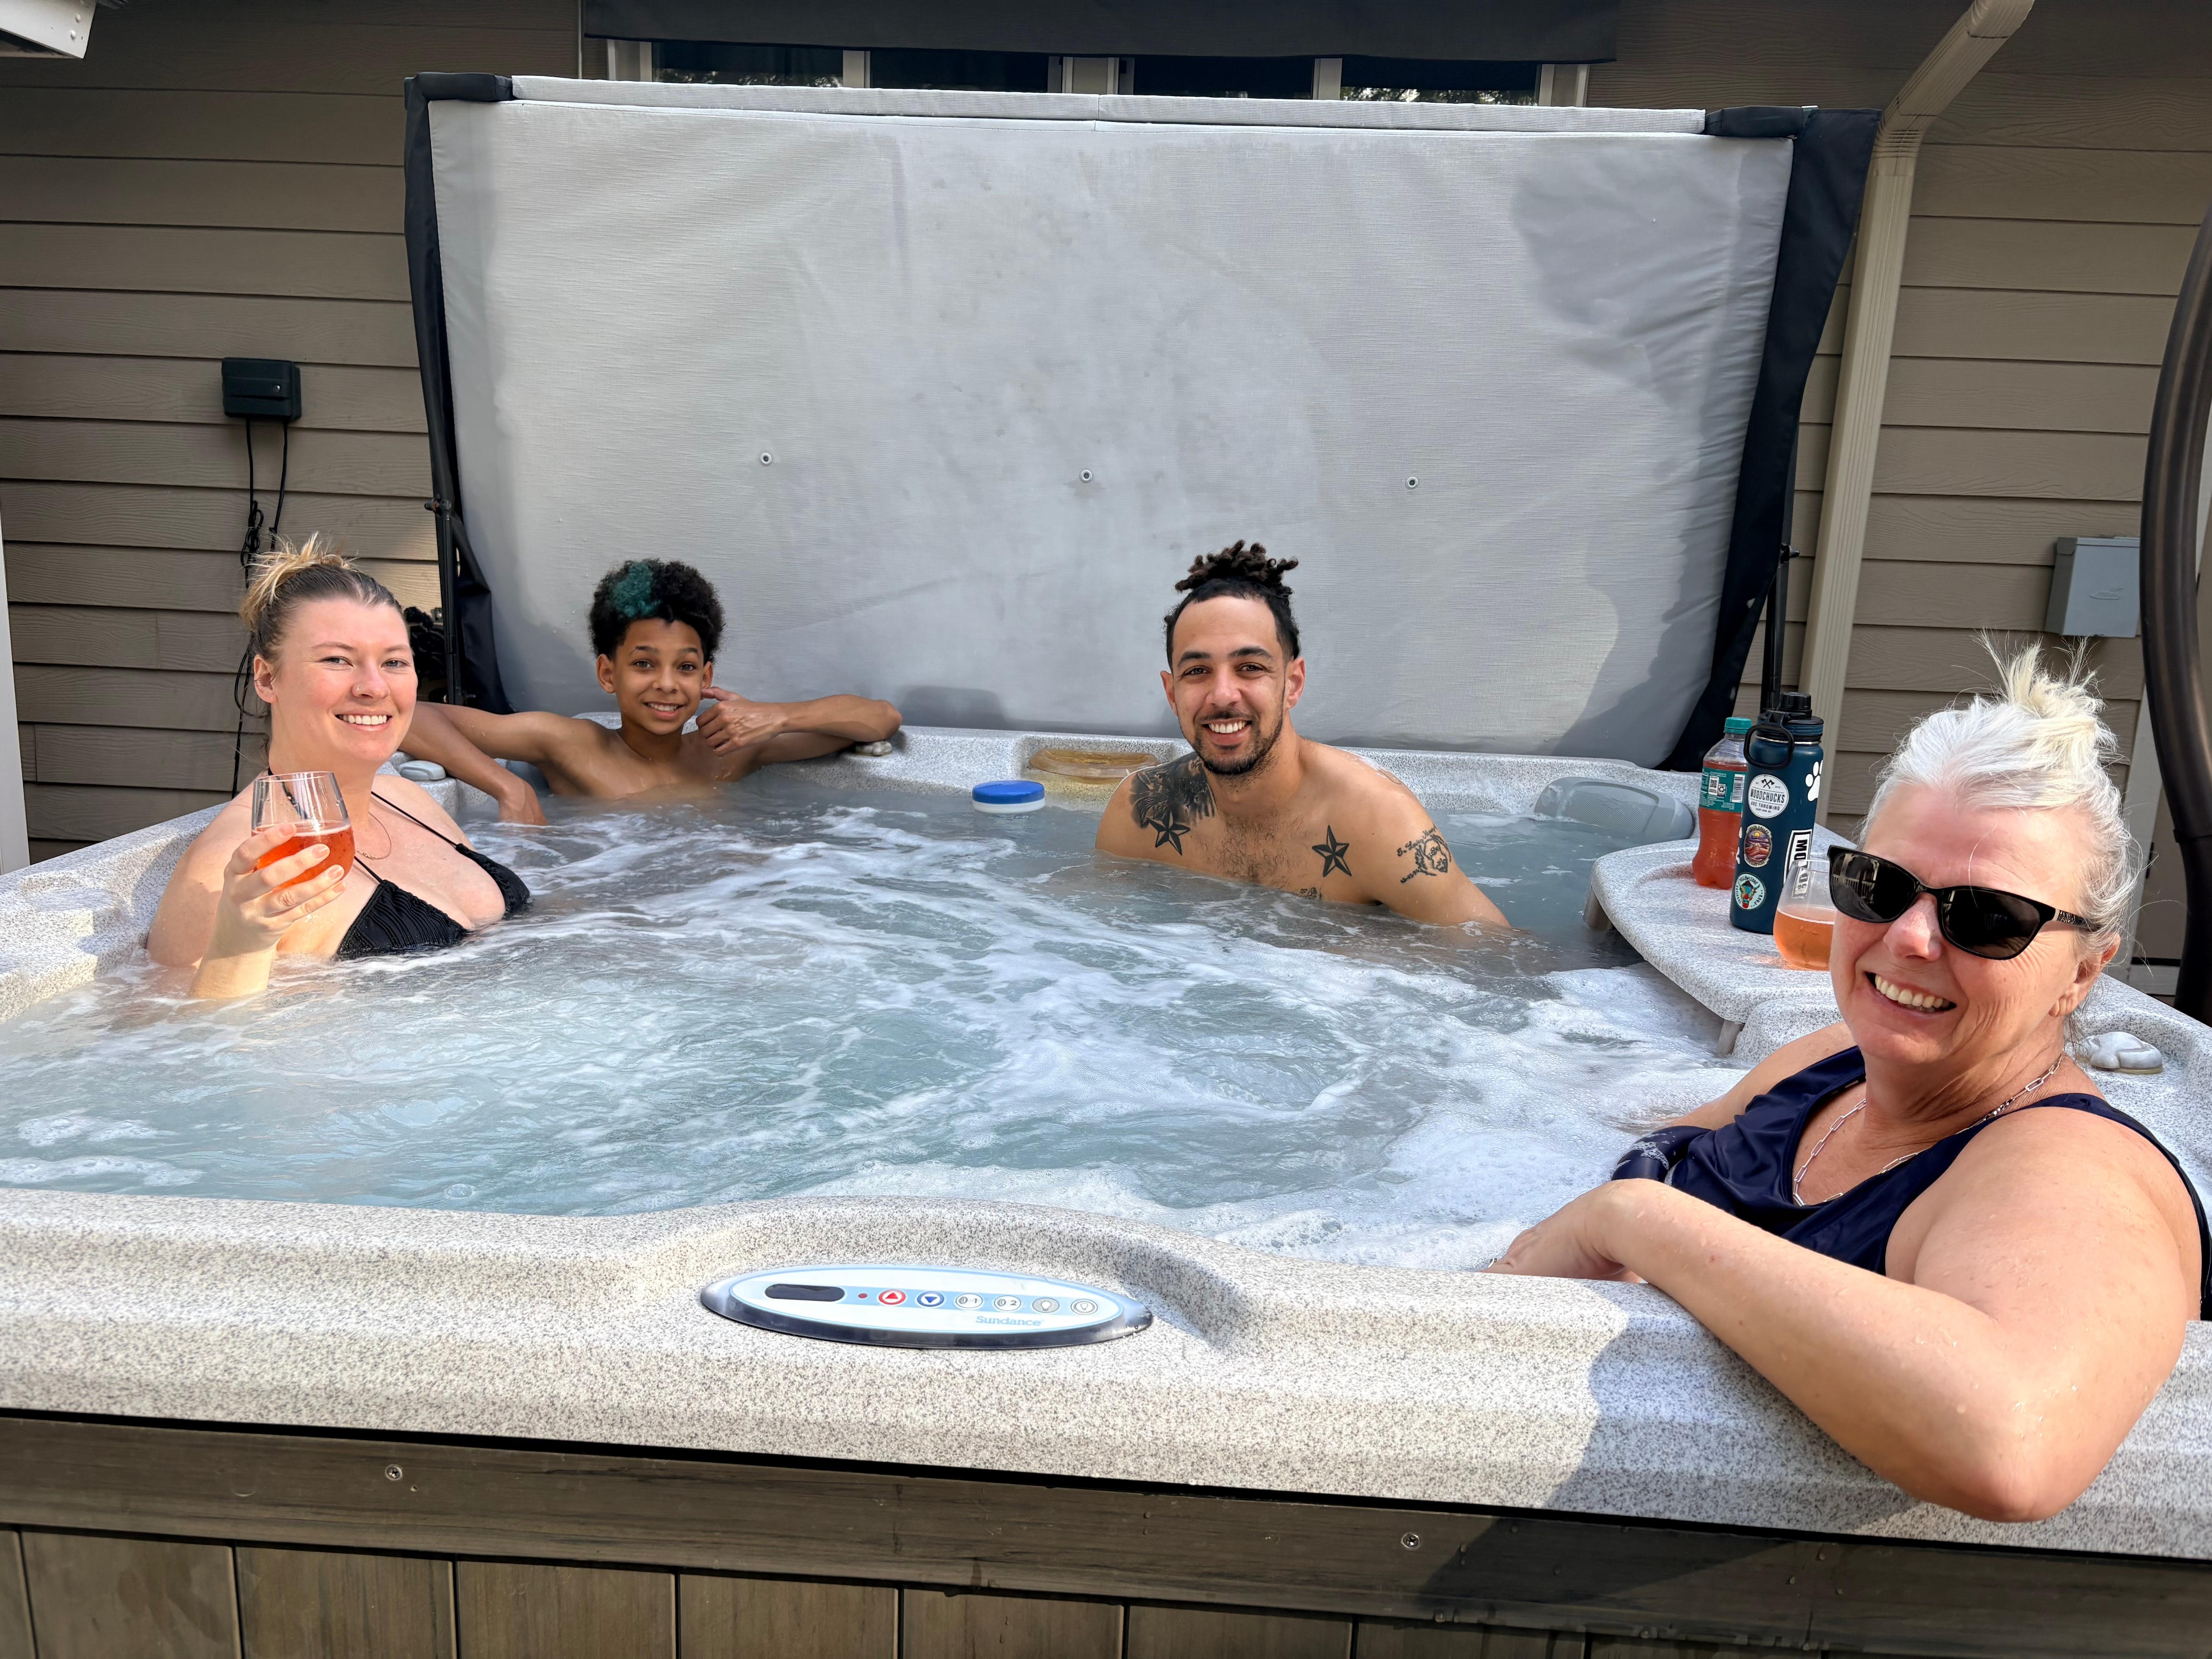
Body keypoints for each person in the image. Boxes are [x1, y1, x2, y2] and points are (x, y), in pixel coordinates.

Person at [1490, 647, 2210, 1522]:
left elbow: (2012, 1443)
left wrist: (1636, 1221)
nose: (1909, 937)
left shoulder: (2073, 1177)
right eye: (1880, 885)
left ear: (2083, 973)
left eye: (1986, 916)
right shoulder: (1830, 1065)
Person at [148, 538, 531, 998]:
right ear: (267, 679)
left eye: (394, 662)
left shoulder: (408, 799)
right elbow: (182, 1036)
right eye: (337, 660)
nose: (374, 687)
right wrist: (239, 946)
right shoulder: (233, 868)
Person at [1095, 543, 1506, 927]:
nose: (1222, 695)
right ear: (1172, 693)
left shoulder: (1378, 821)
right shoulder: (1141, 814)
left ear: (1293, 684)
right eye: (1197, 671)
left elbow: (1497, 961)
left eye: (1250, 668)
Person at [399, 558, 902, 803]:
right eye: (644, 664)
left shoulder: (727, 751)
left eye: (685, 667)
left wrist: (778, 718)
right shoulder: (572, 745)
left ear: (706, 677)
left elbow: (880, 719)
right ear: (608, 673)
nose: (666, 684)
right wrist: (510, 789)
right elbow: (412, 716)